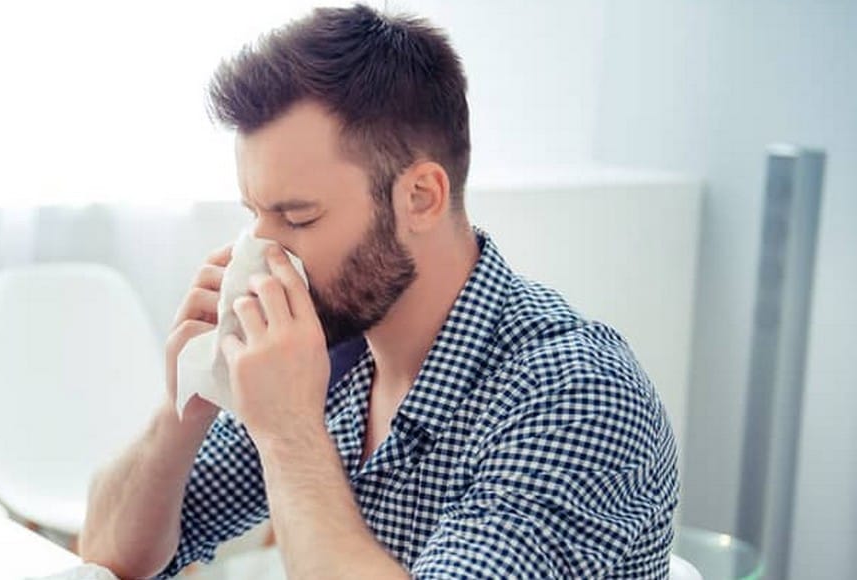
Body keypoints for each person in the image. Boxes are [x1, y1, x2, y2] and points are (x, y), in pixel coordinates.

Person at [78, 4, 679, 578]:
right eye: (254, 214)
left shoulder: (577, 393)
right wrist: (187, 403)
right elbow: (109, 555)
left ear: (420, 198)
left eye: (299, 217)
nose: (261, 254)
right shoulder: (333, 347)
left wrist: (290, 433)